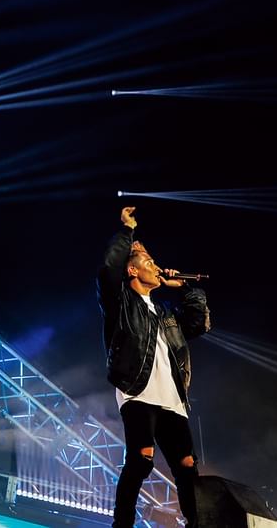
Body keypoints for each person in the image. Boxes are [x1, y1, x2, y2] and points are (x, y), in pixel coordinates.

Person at [98, 206, 210, 526]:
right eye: (149, 262)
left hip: (172, 398)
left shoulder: (165, 314)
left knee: (186, 464)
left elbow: (199, 323)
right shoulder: (120, 303)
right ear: (133, 271)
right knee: (141, 458)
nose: (157, 267)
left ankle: (197, 523)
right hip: (137, 390)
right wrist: (127, 231)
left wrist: (186, 287)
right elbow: (109, 269)